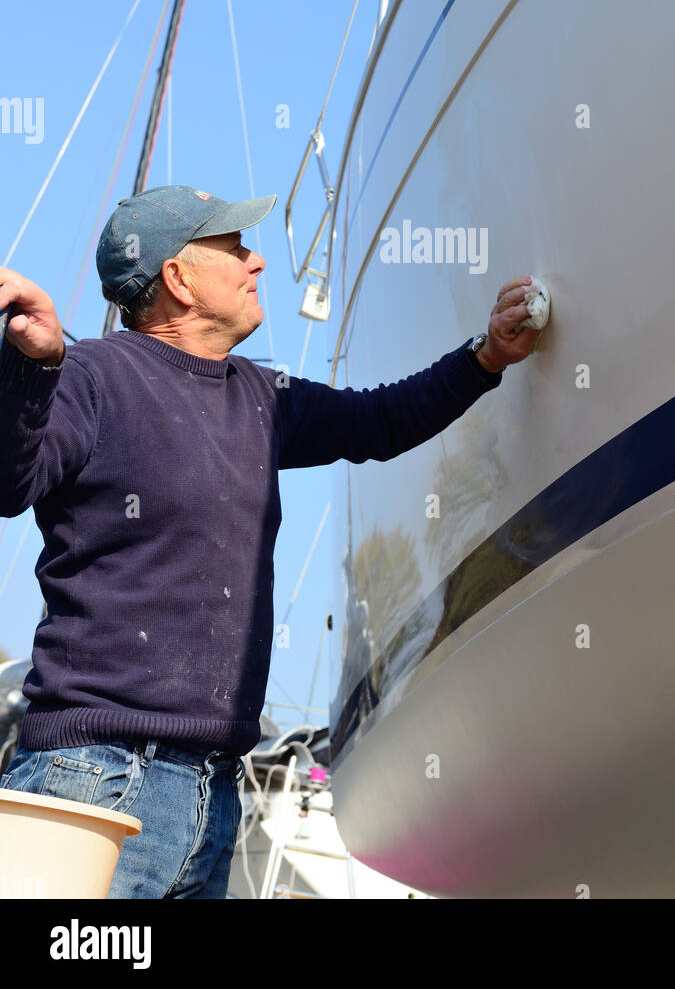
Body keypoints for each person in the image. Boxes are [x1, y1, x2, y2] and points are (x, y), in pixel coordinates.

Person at [0, 184, 541, 898]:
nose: (256, 263)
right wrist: (33, 368)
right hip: (97, 776)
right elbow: (13, 483)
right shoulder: (90, 376)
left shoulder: (262, 395)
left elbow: (377, 421)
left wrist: (487, 356)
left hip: (214, 789)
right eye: (234, 249)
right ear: (178, 278)